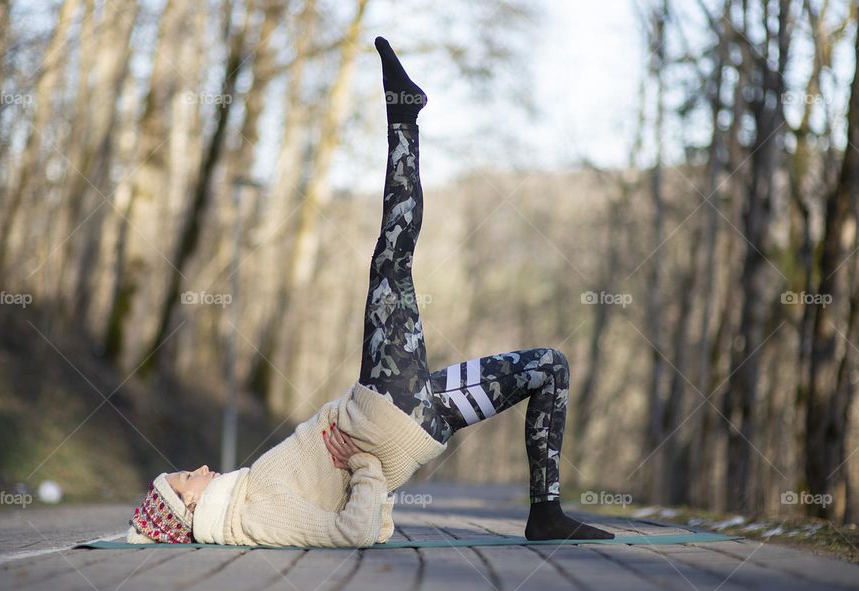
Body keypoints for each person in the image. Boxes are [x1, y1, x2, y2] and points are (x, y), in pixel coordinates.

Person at [126, 36, 614, 547]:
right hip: (384, 411)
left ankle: (547, 514)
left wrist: (366, 472)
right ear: (190, 505)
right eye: (187, 477)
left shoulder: (243, 498)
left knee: (549, 368)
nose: (200, 468)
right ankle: (404, 117)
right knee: (391, 259)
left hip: (411, 415)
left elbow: (353, 514)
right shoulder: (250, 516)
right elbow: (352, 532)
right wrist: (365, 467)